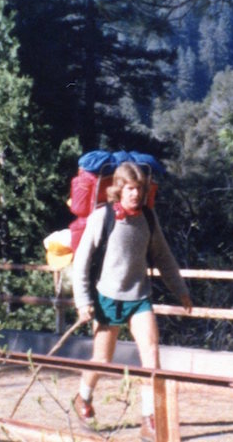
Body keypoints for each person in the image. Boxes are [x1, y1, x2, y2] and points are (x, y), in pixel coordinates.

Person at [71, 161, 193, 441]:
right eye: (129, 189)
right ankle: (83, 397)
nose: (135, 194)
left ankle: (150, 417)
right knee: (102, 358)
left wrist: (180, 290)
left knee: (151, 354)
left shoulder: (148, 218)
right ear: (118, 189)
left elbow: (163, 256)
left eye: (139, 189)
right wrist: (83, 301)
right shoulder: (103, 217)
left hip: (139, 297)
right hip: (107, 298)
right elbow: (81, 262)